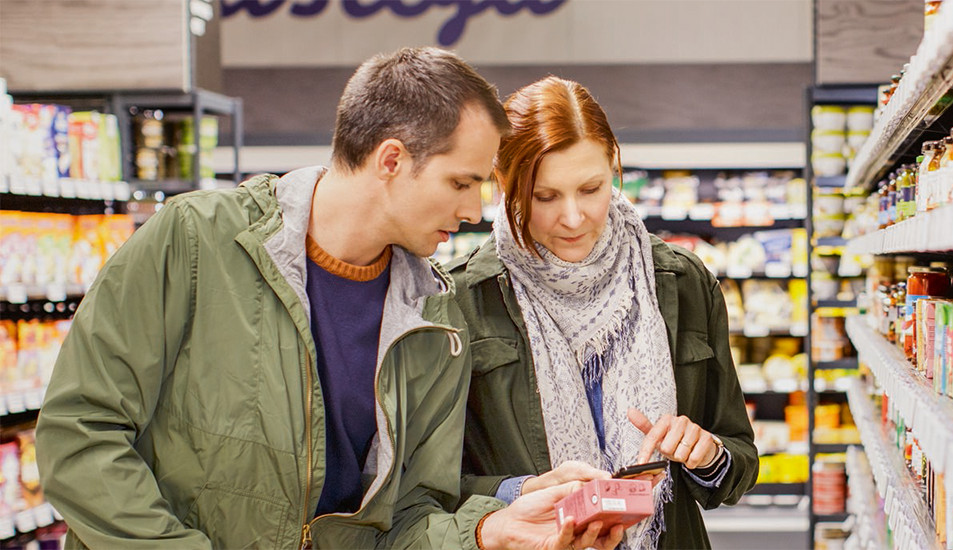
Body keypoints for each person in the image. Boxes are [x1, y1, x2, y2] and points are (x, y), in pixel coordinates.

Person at [35, 48, 622, 550]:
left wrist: (488, 528)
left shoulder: (435, 320)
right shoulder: (195, 243)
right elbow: (80, 431)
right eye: (461, 182)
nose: (474, 212)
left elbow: (406, 516)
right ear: (391, 159)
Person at [448, 76, 759, 550]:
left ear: (613, 165)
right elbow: (425, 487)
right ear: (505, 184)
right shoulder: (463, 298)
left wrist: (708, 454)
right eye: (544, 196)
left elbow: (739, 459)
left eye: (591, 188)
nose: (573, 218)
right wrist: (521, 494)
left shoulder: (681, 282)